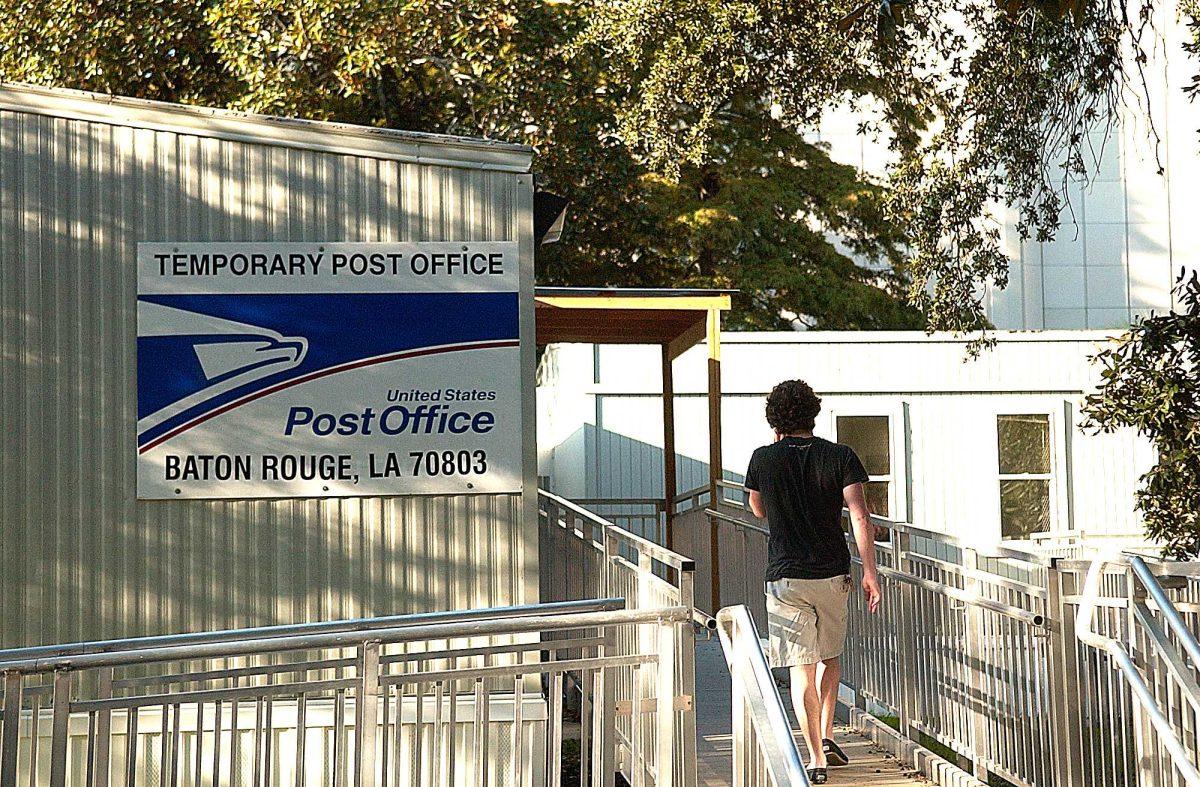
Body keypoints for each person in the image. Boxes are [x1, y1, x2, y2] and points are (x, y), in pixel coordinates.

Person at [744, 379, 882, 784]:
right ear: (813, 414)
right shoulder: (840, 456)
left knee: (800, 669)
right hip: (833, 573)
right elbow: (860, 516)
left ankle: (816, 757)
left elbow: (757, 509)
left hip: (787, 576)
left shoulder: (763, 458)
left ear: (775, 419)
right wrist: (869, 571)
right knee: (830, 657)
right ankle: (827, 731)